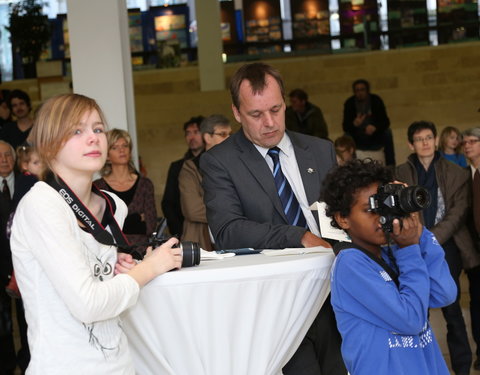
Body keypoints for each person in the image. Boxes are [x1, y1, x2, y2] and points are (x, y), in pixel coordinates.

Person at [9, 93, 182, 374]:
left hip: (120, 363)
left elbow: (105, 282)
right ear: (49, 145)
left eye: (98, 129)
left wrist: (128, 267)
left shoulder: (113, 206)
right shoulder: (41, 204)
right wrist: (150, 268)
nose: (93, 138)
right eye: (77, 130)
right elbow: (88, 304)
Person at [200, 62, 346, 375]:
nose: (269, 122)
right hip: (278, 305)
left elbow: (342, 215)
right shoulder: (219, 162)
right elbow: (227, 230)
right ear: (237, 113)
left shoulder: (320, 151)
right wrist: (298, 236)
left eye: (276, 110)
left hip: (334, 295)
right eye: (256, 114)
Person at [321, 158, 456, 375]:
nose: (380, 217)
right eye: (369, 210)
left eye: (383, 207)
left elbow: (444, 293)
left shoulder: (395, 251)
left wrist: (418, 233)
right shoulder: (350, 264)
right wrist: (410, 250)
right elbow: (410, 319)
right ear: (343, 219)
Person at [395, 121, 480, 375]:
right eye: (419, 139)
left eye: (429, 137)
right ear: (411, 144)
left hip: (447, 247)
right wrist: (417, 239)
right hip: (410, 247)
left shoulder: (455, 172)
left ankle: (462, 368)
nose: (425, 143)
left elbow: (458, 211)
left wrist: (430, 238)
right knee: (417, 312)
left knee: (452, 309)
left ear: (435, 140)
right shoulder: (400, 172)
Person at [94, 129, 157, 258]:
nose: (121, 150)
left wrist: (116, 221)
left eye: (125, 146)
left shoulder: (145, 184)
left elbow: (150, 226)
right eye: (115, 147)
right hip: (111, 253)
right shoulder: (98, 187)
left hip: (142, 252)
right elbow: (100, 228)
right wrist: (136, 219)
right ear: (106, 156)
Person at [179, 114, 231, 251]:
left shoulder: (237, 165)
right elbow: (192, 209)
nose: (229, 138)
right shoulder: (191, 168)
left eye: (230, 134)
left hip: (233, 241)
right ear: (207, 137)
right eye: (223, 134)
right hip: (202, 243)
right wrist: (233, 212)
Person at [161, 116, 204, 236]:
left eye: (196, 132)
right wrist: (178, 232)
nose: (192, 137)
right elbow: (168, 203)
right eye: (188, 133)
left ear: (205, 135)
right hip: (186, 230)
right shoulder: (177, 167)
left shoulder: (213, 163)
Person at [461, 127, 480, 370]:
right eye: (464, 143)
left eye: (472, 141)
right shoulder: (465, 176)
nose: (467, 146)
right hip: (475, 251)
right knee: (477, 302)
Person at [342, 79, 395, 166]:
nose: (360, 93)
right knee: (346, 137)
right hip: (358, 137)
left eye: (362, 89)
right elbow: (345, 126)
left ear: (367, 90)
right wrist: (354, 124)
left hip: (375, 136)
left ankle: (391, 167)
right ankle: (349, 167)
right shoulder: (349, 103)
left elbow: (385, 122)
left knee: (388, 133)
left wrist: (375, 127)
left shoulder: (376, 100)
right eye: (357, 90)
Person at [0, 140, 18, 374]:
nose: (4, 159)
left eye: (7, 154)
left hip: (26, 267)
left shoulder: (31, 183)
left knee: (29, 322)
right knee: (2, 325)